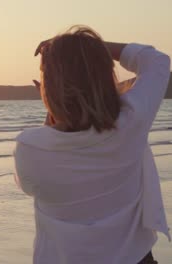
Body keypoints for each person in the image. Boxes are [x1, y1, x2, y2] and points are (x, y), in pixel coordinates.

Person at [13, 26, 170, 263]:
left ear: (50, 87)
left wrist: (53, 112)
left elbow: (31, 185)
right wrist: (92, 50)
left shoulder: (30, 147)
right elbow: (156, 61)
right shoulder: (132, 120)